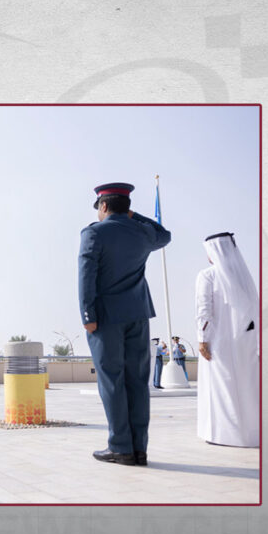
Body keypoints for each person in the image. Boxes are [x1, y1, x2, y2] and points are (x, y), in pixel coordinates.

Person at [78, 182, 171, 466]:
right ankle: (139, 449)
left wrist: (87, 316)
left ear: (104, 205)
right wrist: (133, 215)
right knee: (137, 383)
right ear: (126, 206)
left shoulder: (94, 233)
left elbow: (86, 276)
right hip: (138, 315)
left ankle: (120, 447)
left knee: (112, 381)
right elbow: (164, 235)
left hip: (105, 319)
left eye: (99, 208)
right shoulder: (142, 232)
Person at [196, 232, 259, 447]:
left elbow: (204, 310)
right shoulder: (243, 277)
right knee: (245, 386)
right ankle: (248, 433)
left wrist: (202, 339)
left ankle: (223, 435)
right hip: (245, 341)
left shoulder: (207, 275)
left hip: (218, 341)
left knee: (221, 388)